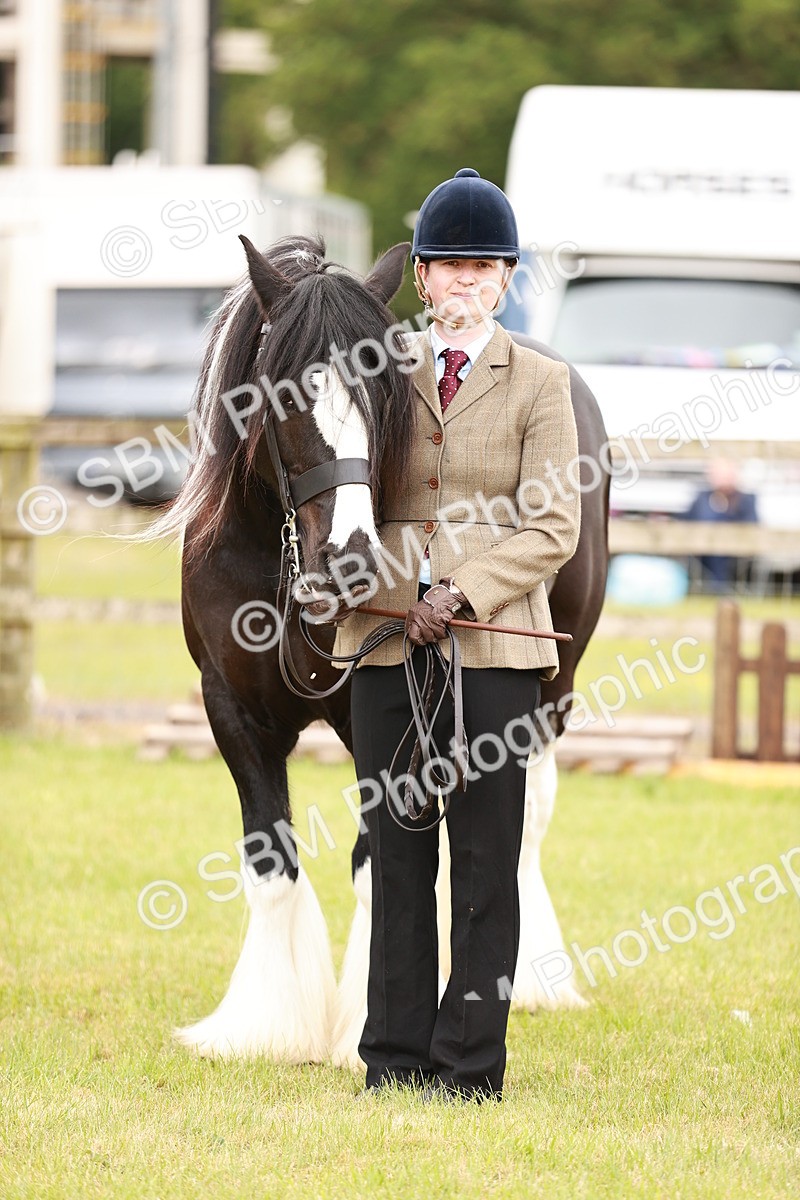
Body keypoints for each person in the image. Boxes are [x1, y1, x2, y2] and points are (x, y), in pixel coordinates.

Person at [337, 168, 581, 1102]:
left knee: (485, 856)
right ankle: (393, 1061)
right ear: (423, 278)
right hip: (389, 638)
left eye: (484, 266)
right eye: (448, 265)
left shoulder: (543, 385)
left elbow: (553, 527)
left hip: (494, 647)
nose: (466, 281)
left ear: (507, 279)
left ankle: (469, 1066)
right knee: (396, 852)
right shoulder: (372, 372)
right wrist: (391, 588)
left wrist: (465, 589)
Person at [684, 458, 758, 590]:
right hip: (702, 549)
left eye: (723, 474)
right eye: (716, 474)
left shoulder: (745, 499)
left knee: (719, 549)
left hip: (735, 550)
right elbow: (687, 520)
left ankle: (718, 588)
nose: (719, 478)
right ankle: (715, 588)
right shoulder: (702, 498)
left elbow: (752, 525)